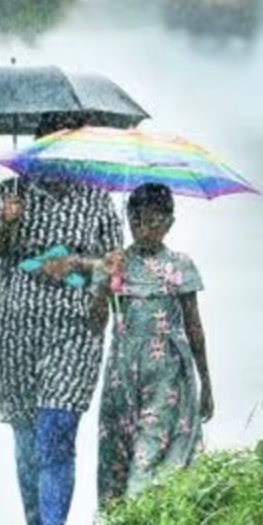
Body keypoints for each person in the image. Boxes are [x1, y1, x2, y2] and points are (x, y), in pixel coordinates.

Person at [0, 122, 124, 525]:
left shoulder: (97, 200)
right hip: (12, 333)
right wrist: (6, 224)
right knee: (27, 442)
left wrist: (81, 265)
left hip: (75, 332)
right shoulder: (7, 193)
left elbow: (115, 268)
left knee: (57, 432)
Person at [88, 183, 212, 507]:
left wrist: (206, 382)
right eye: (137, 220)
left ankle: (146, 513)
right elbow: (95, 324)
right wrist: (104, 284)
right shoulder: (115, 263)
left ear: (170, 222)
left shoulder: (179, 265)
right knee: (119, 449)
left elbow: (194, 327)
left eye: (153, 221)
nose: (144, 229)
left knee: (152, 446)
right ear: (127, 218)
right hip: (123, 376)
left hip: (167, 375)